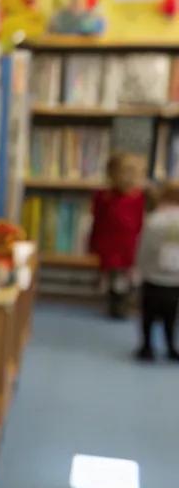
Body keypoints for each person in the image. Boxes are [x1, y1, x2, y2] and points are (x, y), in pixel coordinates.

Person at [89, 152, 145, 318]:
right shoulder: (103, 196)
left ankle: (123, 302)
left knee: (126, 277)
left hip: (129, 245)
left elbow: (140, 223)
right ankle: (116, 302)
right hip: (109, 244)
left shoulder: (139, 197)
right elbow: (97, 221)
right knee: (113, 276)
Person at [135, 180, 179, 361]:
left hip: (152, 279)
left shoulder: (154, 221)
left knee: (148, 316)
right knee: (171, 318)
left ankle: (147, 347)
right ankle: (171, 348)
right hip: (175, 281)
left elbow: (143, 249)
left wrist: (139, 269)